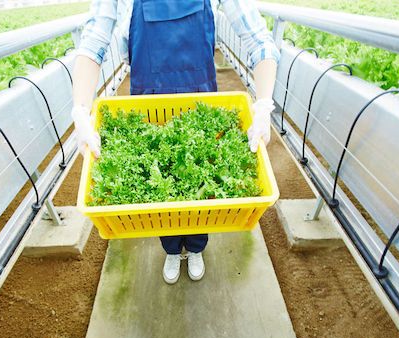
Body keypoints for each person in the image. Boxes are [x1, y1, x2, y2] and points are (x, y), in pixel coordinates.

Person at [72, 0, 278, 284]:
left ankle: (196, 248)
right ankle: (170, 249)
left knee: (200, 183)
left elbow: (259, 40)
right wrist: (80, 110)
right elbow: (93, 41)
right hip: (149, 102)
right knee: (160, 186)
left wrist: (264, 104)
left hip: (200, 100)